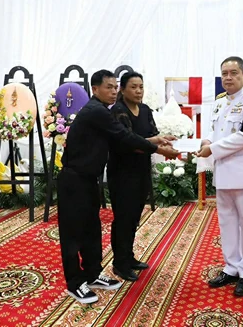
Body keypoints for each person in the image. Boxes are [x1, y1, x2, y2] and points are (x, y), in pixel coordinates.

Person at [58, 69, 180, 305]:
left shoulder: (103, 111)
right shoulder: (96, 111)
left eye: (115, 87)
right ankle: (75, 283)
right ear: (95, 89)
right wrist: (158, 149)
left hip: (89, 179)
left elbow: (124, 135)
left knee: (92, 229)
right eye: (109, 87)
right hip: (74, 180)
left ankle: (93, 274)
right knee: (74, 233)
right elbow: (125, 138)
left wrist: (155, 141)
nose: (114, 92)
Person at [196, 56, 243, 297]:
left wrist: (212, 149)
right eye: (224, 73)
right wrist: (206, 142)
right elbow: (212, 130)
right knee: (227, 225)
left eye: (234, 73)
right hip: (224, 174)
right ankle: (231, 267)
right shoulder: (218, 102)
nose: (228, 77)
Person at [108, 72, 175, 282]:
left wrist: (163, 140)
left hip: (141, 169)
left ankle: (129, 257)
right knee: (123, 218)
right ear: (122, 89)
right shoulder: (118, 111)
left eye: (141, 87)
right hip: (122, 172)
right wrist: (157, 146)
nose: (138, 91)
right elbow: (127, 142)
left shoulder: (145, 110)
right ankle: (120, 263)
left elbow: (151, 135)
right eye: (133, 87)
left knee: (134, 216)